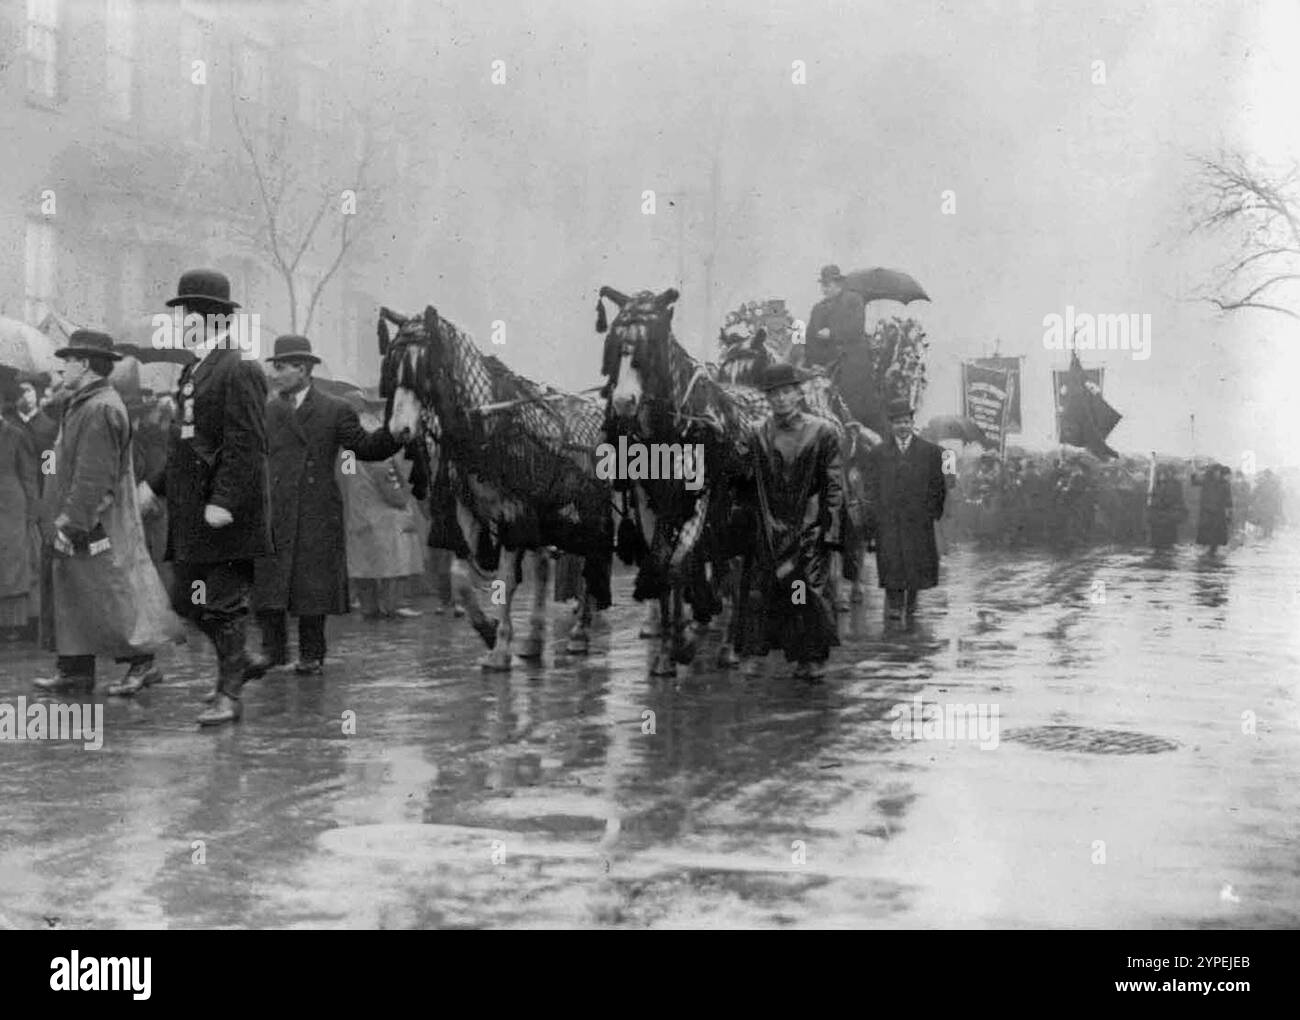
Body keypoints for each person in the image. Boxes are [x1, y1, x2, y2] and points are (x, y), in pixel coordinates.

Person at [139, 269, 273, 725]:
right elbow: (186, 446)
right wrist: (153, 486)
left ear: (216, 319)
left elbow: (247, 444)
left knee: (221, 602)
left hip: (227, 514)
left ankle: (229, 695)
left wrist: (226, 501)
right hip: (194, 512)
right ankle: (243, 661)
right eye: (182, 314)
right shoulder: (193, 370)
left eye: (192, 314)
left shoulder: (240, 367)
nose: (183, 322)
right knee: (185, 602)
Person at [30, 331, 181, 695]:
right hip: (85, 519)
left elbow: (94, 476)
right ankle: (75, 669)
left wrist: (73, 521)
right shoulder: (88, 402)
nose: (62, 367)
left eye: (67, 361)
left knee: (112, 594)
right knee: (79, 593)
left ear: (83, 364)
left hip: (95, 522)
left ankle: (141, 663)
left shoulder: (99, 407)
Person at [251, 335, 402, 674]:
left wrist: (396, 432)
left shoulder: (335, 409)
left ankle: (311, 654)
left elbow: (365, 447)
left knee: (311, 585)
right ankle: (273, 652)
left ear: (303, 369)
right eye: (275, 367)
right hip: (275, 509)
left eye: (282, 367)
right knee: (272, 583)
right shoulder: (268, 411)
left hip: (315, 508)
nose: (276, 374)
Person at [734, 362, 843, 680]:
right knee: (758, 592)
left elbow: (834, 486)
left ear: (798, 393)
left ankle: (809, 657)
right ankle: (753, 653)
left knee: (802, 592)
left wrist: (831, 531)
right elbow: (741, 477)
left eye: (786, 392)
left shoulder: (822, 431)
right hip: (768, 527)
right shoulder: (756, 432)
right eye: (774, 394)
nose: (781, 399)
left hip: (806, 529)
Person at [340, 396, 426, 620]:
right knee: (393, 561)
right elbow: (385, 472)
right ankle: (393, 605)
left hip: (358, 505)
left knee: (363, 563)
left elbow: (346, 472)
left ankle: (369, 607)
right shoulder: (373, 432)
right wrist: (402, 496)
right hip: (383, 510)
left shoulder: (347, 435)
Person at [863, 397, 946, 623]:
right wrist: (873, 518)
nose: (903, 426)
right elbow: (870, 488)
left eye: (906, 422)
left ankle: (911, 601)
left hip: (918, 520)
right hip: (888, 520)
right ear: (891, 425)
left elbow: (939, 486)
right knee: (891, 561)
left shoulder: (930, 452)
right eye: (898, 422)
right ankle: (894, 604)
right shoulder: (878, 453)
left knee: (916, 562)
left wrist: (931, 513)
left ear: (912, 423)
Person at [0, 415, 38, 640]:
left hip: (11, 506)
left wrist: (36, 509)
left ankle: (13, 624)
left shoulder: (20, 433)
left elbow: (35, 473)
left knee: (13, 563)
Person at [798, 264, 866, 372]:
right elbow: (810, 338)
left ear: (838, 284)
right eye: (822, 285)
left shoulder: (853, 300)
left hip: (850, 365)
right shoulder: (818, 308)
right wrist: (812, 363)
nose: (823, 290)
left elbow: (856, 329)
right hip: (822, 367)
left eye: (827, 285)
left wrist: (832, 333)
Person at [1192, 463, 1232, 554]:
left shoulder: (1225, 483)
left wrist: (1229, 514)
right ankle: (1207, 552)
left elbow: (1228, 501)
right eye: (1216, 471)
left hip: (1219, 514)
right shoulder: (1206, 480)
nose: (1217, 473)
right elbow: (1194, 481)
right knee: (1206, 536)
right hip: (1207, 513)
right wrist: (1195, 470)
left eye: (1219, 471)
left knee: (1216, 538)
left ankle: (1212, 552)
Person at [1147, 465, 1186, 549]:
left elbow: (1173, 499)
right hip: (1157, 518)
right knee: (1157, 542)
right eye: (1159, 474)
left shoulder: (1174, 485)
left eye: (1163, 474)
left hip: (1168, 517)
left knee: (1168, 541)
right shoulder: (1156, 485)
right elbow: (1153, 500)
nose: (1161, 477)